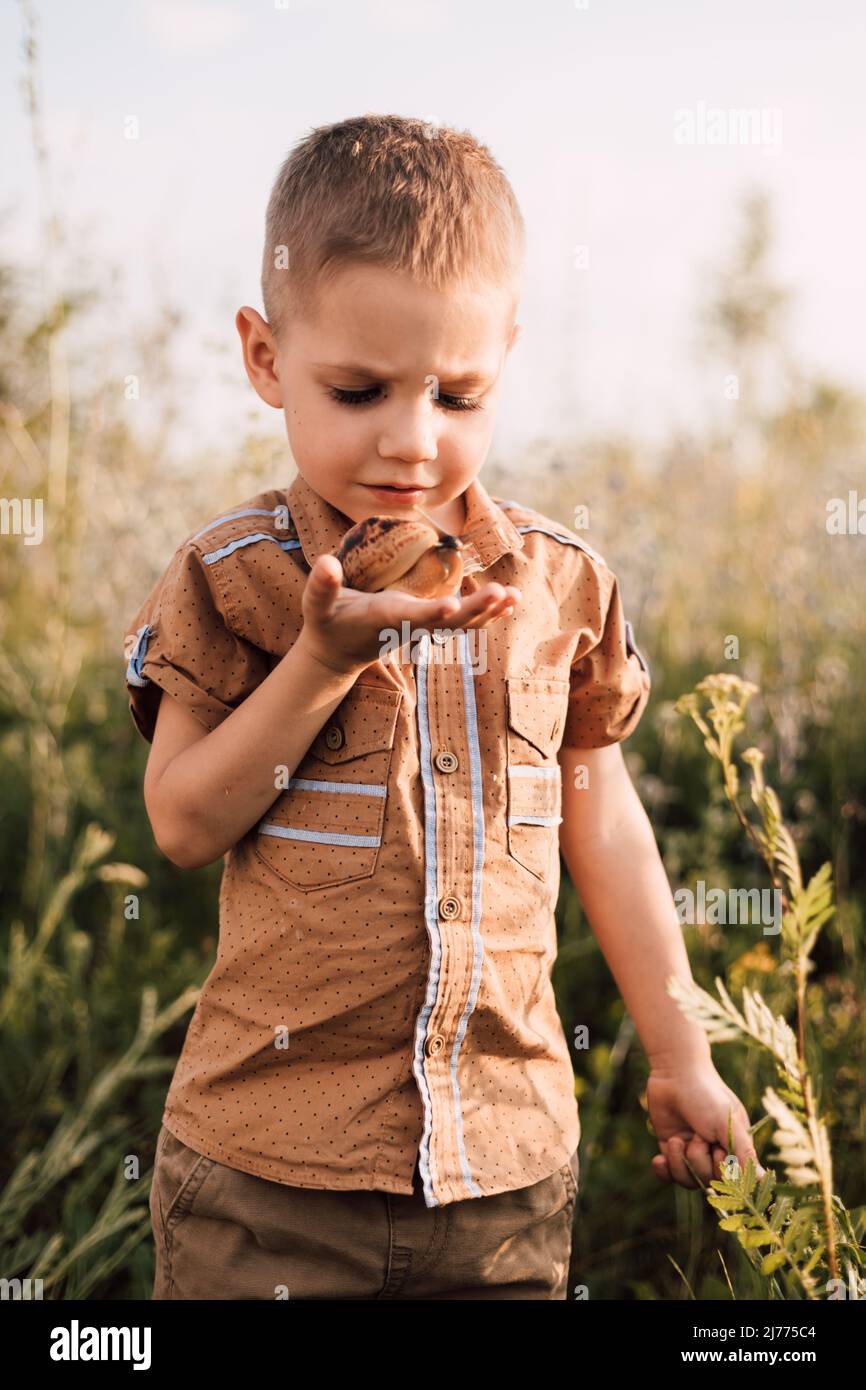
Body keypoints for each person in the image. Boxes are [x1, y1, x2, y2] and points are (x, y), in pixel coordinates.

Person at [123, 113, 762, 1301]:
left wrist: (679, 1050)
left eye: (458, 393)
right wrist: (317, 663)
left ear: (506, 357)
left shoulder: (556, 584)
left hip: (504, 1185)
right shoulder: (237, 575)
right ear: (265, 357)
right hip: (268, 1188)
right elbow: (181, 822)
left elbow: (606, 832)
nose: (413, 440)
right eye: (357, 389)